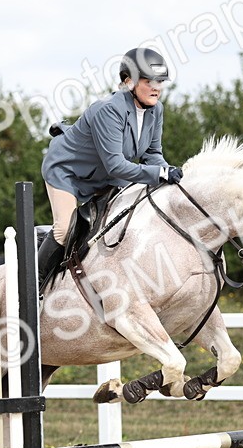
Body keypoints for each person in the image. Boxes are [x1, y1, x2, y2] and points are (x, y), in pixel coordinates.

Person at [37, 47, 184, 290]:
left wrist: (170, 173)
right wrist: (159, 174)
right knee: (65, 228)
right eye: (149, 81)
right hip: (67, 172)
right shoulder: (108, 109)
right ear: (129, 81)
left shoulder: (156, 110)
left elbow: (152, 154)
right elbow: (116, 165)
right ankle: (33, 287)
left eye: (160, 81)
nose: (156, 87)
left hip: (105, 175)